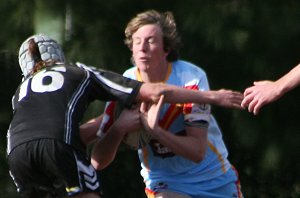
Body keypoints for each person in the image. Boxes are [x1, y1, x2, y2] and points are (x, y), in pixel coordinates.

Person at [7, 34, 243, 198]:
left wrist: (114, 125)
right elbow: (156, 91)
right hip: (59, 147)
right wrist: (214, 97)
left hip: (15, 153)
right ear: (59, 56)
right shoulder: (78, 72)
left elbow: (60, 131)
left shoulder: (19, 93)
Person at [91, 10, 243, 198]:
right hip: (165, 182)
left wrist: (156, 131)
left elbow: (197, 151)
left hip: (214, 179)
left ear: (167, 48)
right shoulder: (125, 84)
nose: (142, 48)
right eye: (137, 42)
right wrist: (119, 128)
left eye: (150, 41)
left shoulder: (190, 79)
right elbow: (97, 162)